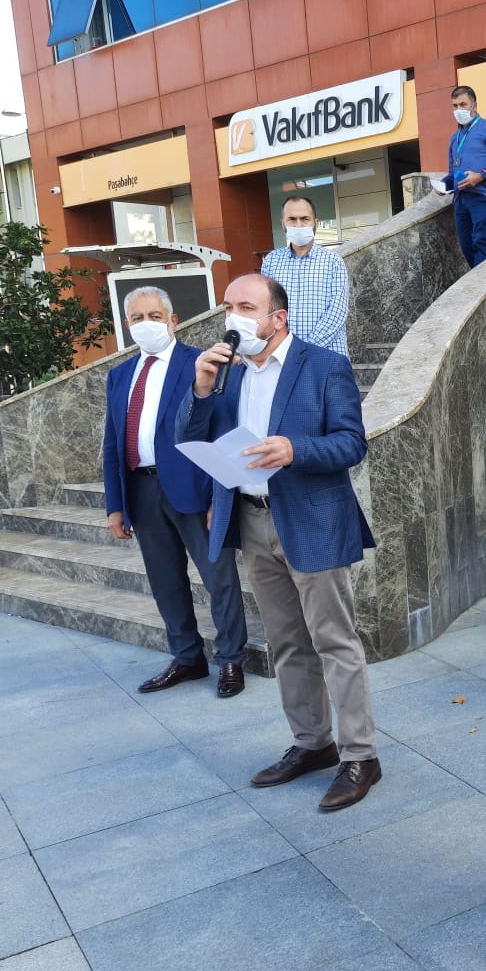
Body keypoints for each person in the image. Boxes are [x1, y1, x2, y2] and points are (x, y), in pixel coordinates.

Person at [179, 273, 381, 812]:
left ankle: (360, 755)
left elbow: (352, 443)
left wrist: (296, 450)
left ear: (278, 317)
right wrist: (200, 390)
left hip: (311, 521)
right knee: (287, 643)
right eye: (228, 306)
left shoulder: (323, 365)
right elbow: (191, 439)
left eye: (246, 307)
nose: (233, 317)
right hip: (251, 520)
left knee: (334, 642)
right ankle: (313, 743)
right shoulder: (227, 373)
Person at [103, 286, 248, 698]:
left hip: (194, 489)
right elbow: (112, 442)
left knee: (219, 578)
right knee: (165, 581)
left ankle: (231, 659)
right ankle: (187, 657)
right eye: (137, 317)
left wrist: (218, 497)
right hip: (141, 490)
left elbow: (221, 431)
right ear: (127, 324)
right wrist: (115, 505)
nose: (145, 323)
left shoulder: (202, 364)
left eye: (154, 315)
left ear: (173, 320)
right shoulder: (119, 376)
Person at [260, 194, 350, 358]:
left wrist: (303, 350)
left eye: (305, 219)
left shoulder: (333, 261)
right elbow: (266, 309)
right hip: (283, 356)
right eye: (292, 219)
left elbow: (337, 313)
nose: (299, 225)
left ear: (316, 223)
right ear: (283, 224)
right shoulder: (271, 261)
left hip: (327, 355)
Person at [443, 85, 486, 268]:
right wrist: (442, 186)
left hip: (483, 196)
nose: (458, 110)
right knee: (466, 246)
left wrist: (480, 176)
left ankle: (481, 281)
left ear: (474, 105)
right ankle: (481, 278)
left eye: (463, 104)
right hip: (460, 198)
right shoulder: (454, 138)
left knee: (480, 241)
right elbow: (452, 173)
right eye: (455, 106)